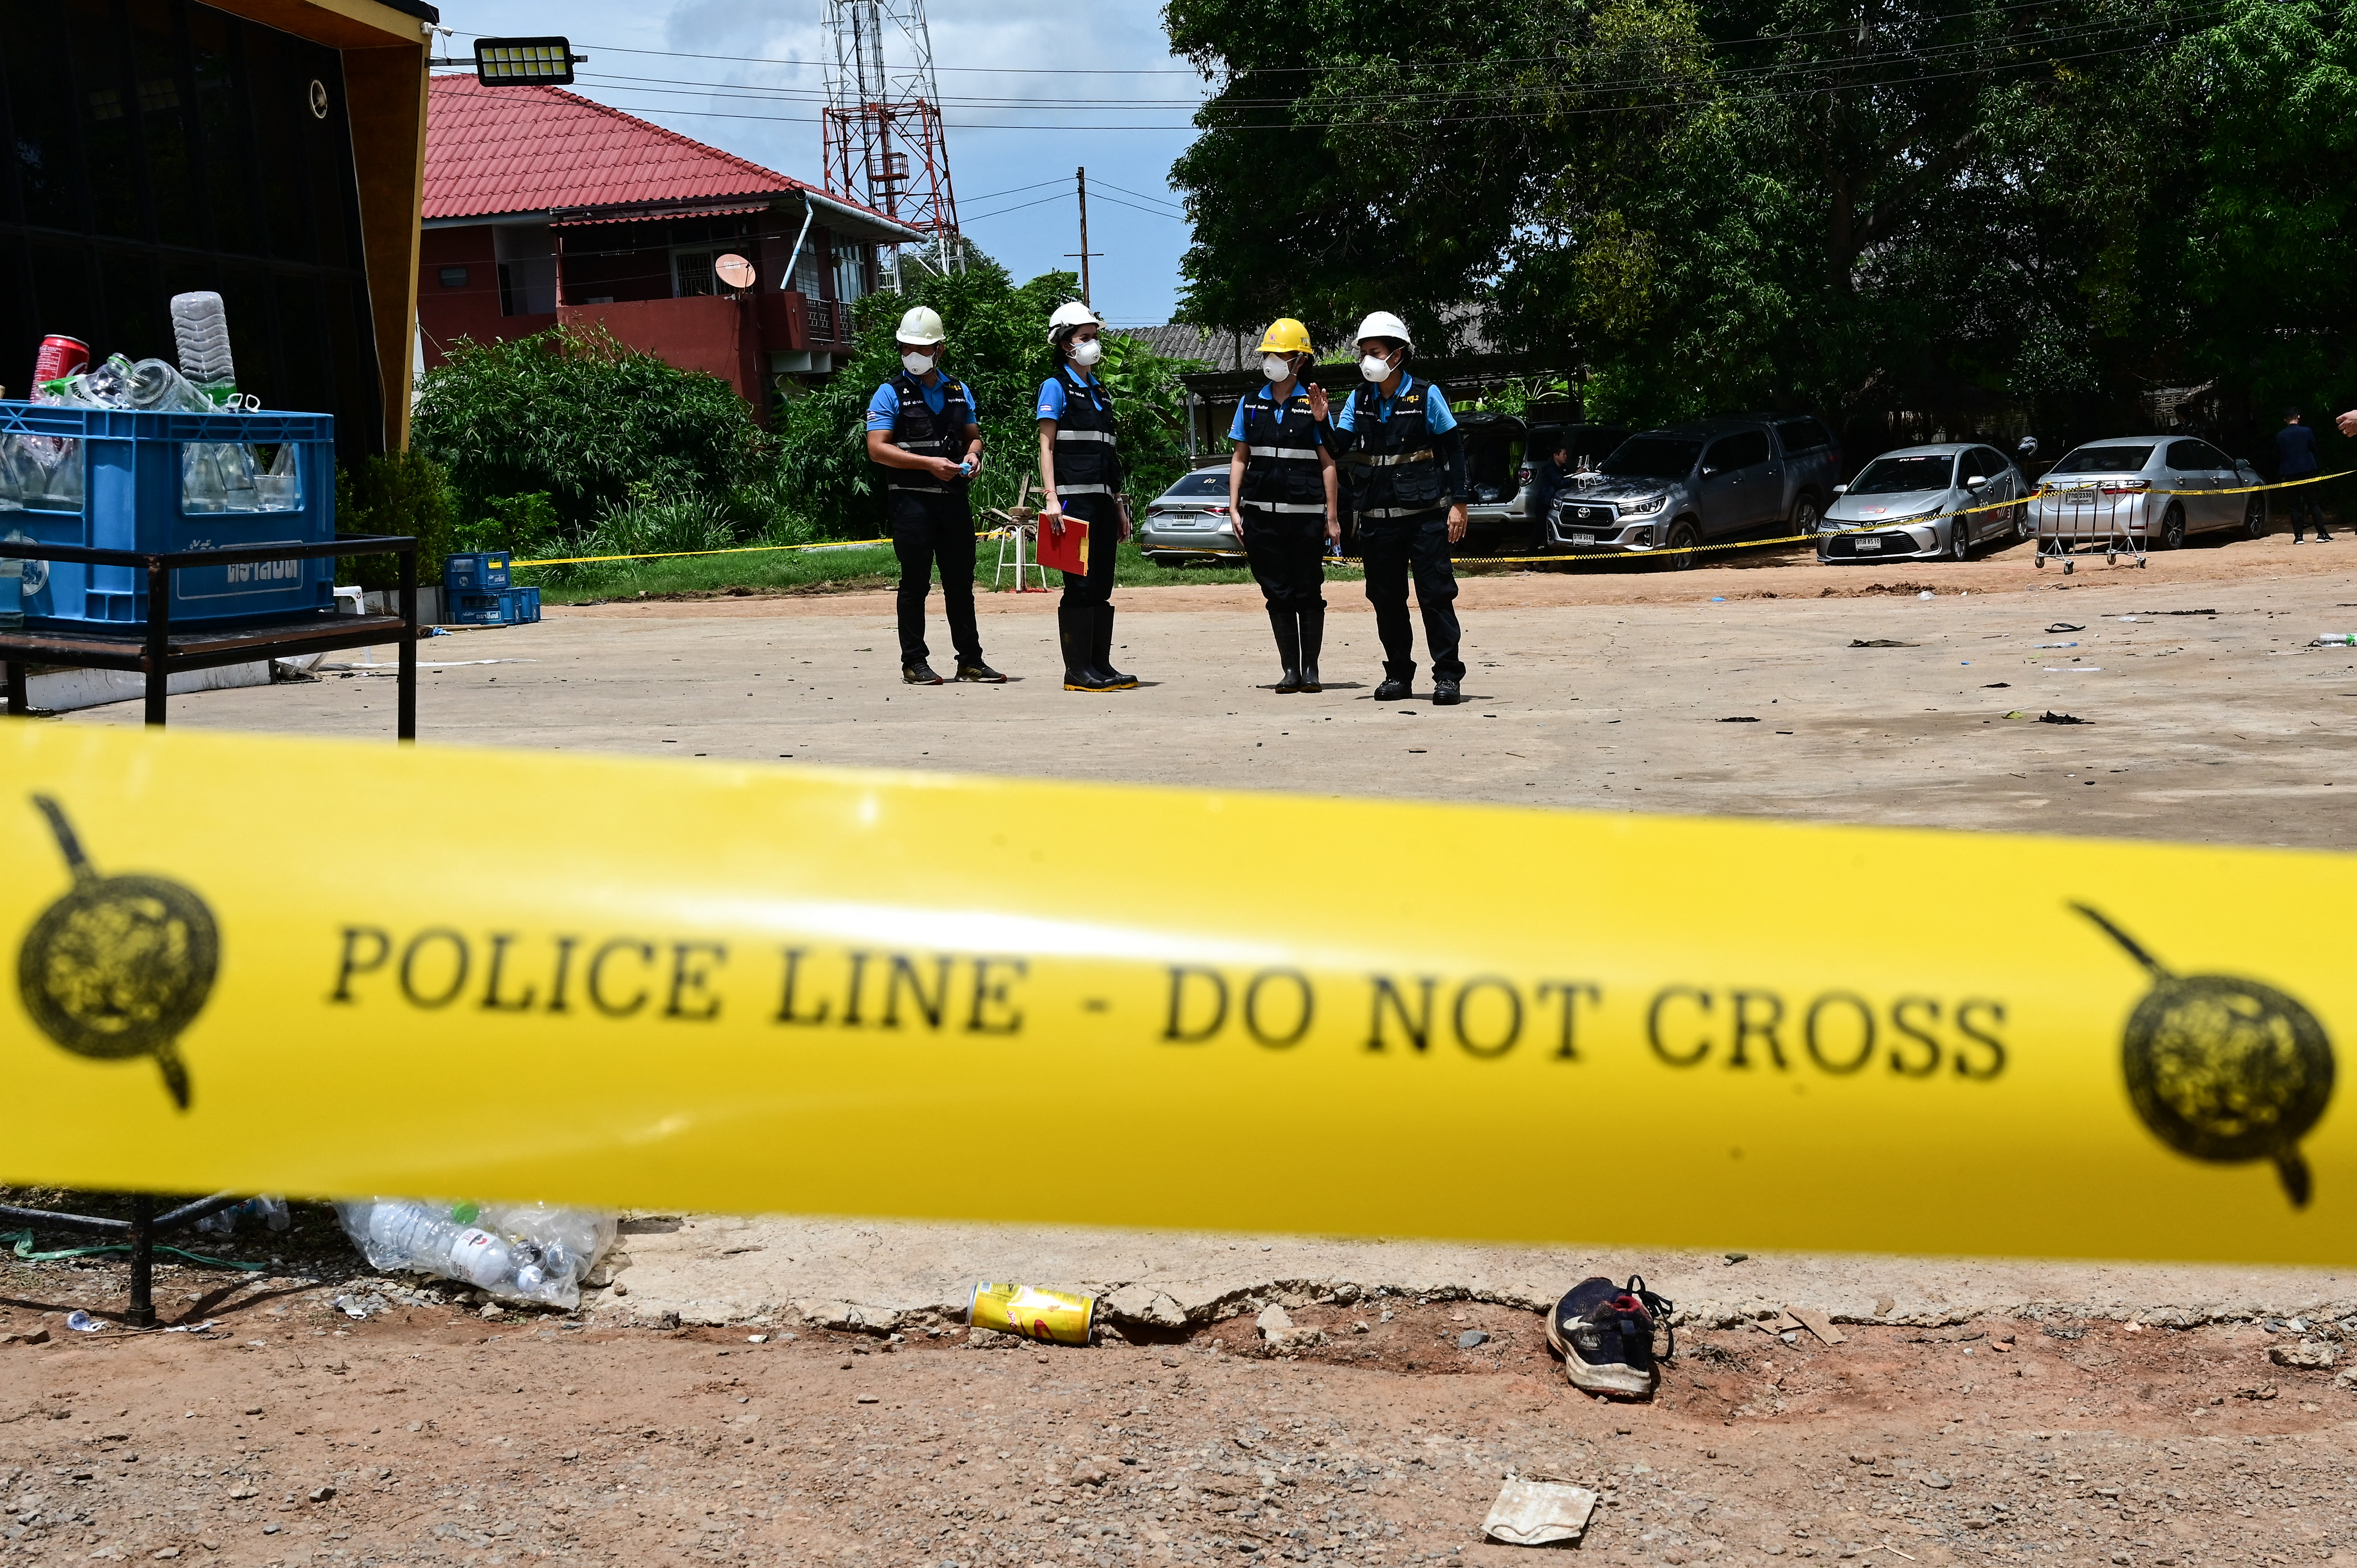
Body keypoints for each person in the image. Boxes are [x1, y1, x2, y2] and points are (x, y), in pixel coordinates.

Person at [1326, 311, 1470, 705]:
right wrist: (1323, 422)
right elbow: (1338, 448)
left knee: (1436, 596)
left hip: (1424, 518)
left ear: (1397, 354)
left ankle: (1447, 678)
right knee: (1386, 600)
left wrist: (1459, 503)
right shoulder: (1359, 399)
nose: (1366, 360)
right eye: (1363, 353)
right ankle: (1399, 675)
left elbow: (1454, 450)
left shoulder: (1426, 395)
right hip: (1377, 521)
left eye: (1374, 351)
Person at [863, 305, 1004, 684]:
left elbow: (974, 436)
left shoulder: (959, 390)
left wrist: (974, 455)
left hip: (953, 501)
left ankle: (971, 661)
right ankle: (914, 662)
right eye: (905, 347)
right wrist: (928, 464)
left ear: (939, 350)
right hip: (912, 504)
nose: (912, 355)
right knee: (915, 583)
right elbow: (877, 448)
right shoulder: (889, 393)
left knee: (961, 584)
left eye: (921, 348)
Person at [1227, 318, 1340, 693]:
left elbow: (1329, 462)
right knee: (1277, 594)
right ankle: (1290, 671)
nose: (1271, 360)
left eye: (1280, 355)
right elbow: (1240, 458)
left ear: (1299, 361)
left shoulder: (1314, 404)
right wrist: (1233, 507)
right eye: (1268, 354)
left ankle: (1311, 671)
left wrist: (1333, 516)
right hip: (1262, 520)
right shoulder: (1250, 403)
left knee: (1308, 592)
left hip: (1306, 519)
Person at [1036, 300, 1136, 692]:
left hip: (1101, 501)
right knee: (1079, 585)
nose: (1093, 343)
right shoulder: (1055, 387)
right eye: (1085, 337)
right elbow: (1047, 446)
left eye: (1094, 337)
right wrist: (1051, 499)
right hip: (1072, 504)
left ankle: (1100, 665)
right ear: (1065, 344)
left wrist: (1118, 505)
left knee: (1101, 585)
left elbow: (1107, 453)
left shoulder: (1100, 391)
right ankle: (1077, 670)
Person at [2276, 408, 2331, 543]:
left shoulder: (2281, 435)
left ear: (2285, 420)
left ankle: (2299, 537)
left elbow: (2277, 454)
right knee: (2313, 503)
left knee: (2294, 506)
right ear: (2299, 417)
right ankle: (2322, 534)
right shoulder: (2307, 432)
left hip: (2289, 473)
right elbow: (2314, 448)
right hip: (2307, 471)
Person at [1527, 436, 1570, 551]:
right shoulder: (1551, 469)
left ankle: (1543, 564)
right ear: (1556, 455)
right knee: (1539, 533)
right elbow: (1560, 483)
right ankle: (1528, 561)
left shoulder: (1564, 468)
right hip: (1544, 504)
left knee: (1550, 534)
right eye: (1563, 454)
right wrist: (1575, 478)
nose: (1566, 457)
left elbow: (1568, 477)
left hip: (1554, 505)